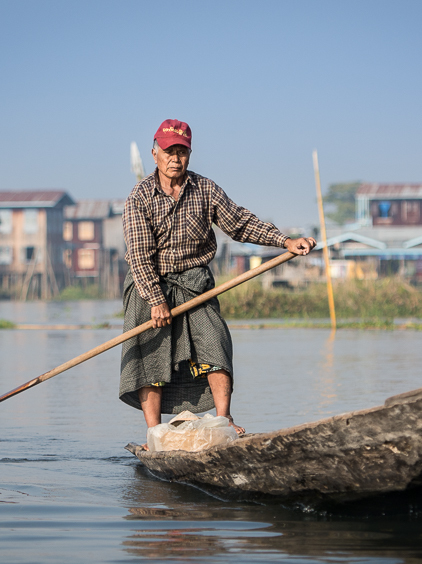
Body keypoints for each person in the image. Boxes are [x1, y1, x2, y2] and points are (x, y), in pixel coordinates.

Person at [119, 119, 315, 438]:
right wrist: (156, 301)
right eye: (169, 151)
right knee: (149, 354)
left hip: (196, 281)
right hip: (149, 282)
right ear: (155, 153)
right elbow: (139, 255)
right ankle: (155, 432)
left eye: (181, 152)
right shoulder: (139, 196)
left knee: (215, 345)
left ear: (190, 155)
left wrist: (285, 241)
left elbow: (239, 223)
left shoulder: (205, 189)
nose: (175, 158)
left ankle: (223, 420)